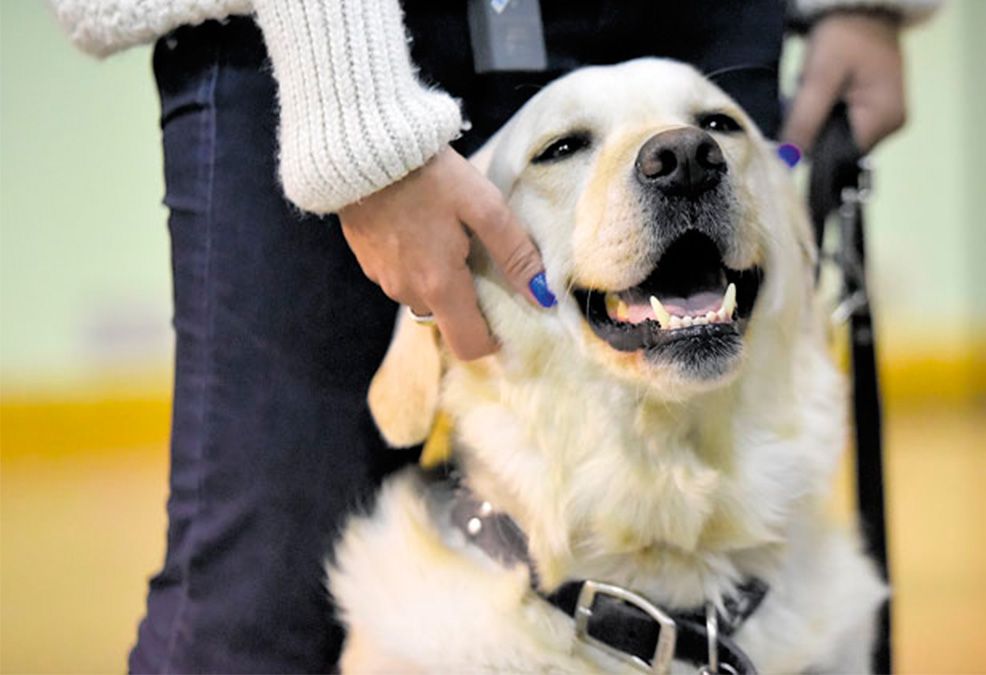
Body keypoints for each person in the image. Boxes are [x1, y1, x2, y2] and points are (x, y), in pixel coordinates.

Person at [50, 0, 938, 671]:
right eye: (565, 150)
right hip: (335, 30)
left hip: (698, 8)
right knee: (258, 605)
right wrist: (355, 119)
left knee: (759, 576)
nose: (683, 155)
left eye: (713, 134)